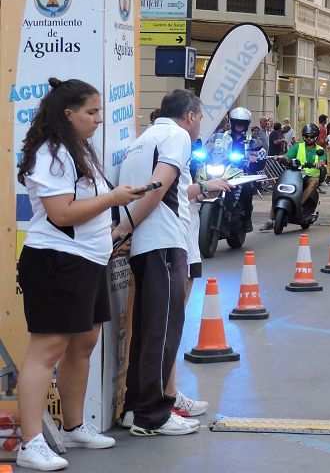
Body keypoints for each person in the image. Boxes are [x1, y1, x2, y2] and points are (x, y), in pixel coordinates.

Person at [15, 78, 145, 470]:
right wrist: (115, 197)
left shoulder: (77, 150)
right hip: (56, 262)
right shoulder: (50, 153)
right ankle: (30, 442)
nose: (99, 119)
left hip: (87, 260)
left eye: (100, 111)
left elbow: (83, 211)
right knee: (47, 349)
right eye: (91, 112)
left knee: (84, 343)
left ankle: (72, 425)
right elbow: (62, 214)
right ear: (68, 114)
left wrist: (110, 224)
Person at [115, 89, 231, 437]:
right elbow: (158, 187)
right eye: (200, 119)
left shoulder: (144, 138)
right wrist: (125, 228)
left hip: (149, 245)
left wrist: (128, 227)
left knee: (148, 331)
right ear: (191, 116)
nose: (199, 127)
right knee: (162, 332)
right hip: (164, 244)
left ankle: (136, 409)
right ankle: (153, 416)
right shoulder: (177, 136)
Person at [262, 123, 325, 230]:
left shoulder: (320, 150)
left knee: (313, 182)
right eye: (306, 136)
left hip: (310, 176)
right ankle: (270, 219)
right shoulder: (297, 147)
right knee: (279, 187)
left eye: (311, 136)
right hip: (296, 174)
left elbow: (322, 160)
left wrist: (320, 163)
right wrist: (279, 157)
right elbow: (287, 156)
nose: (308, 139)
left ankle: (299, 204)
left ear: (315, 137)